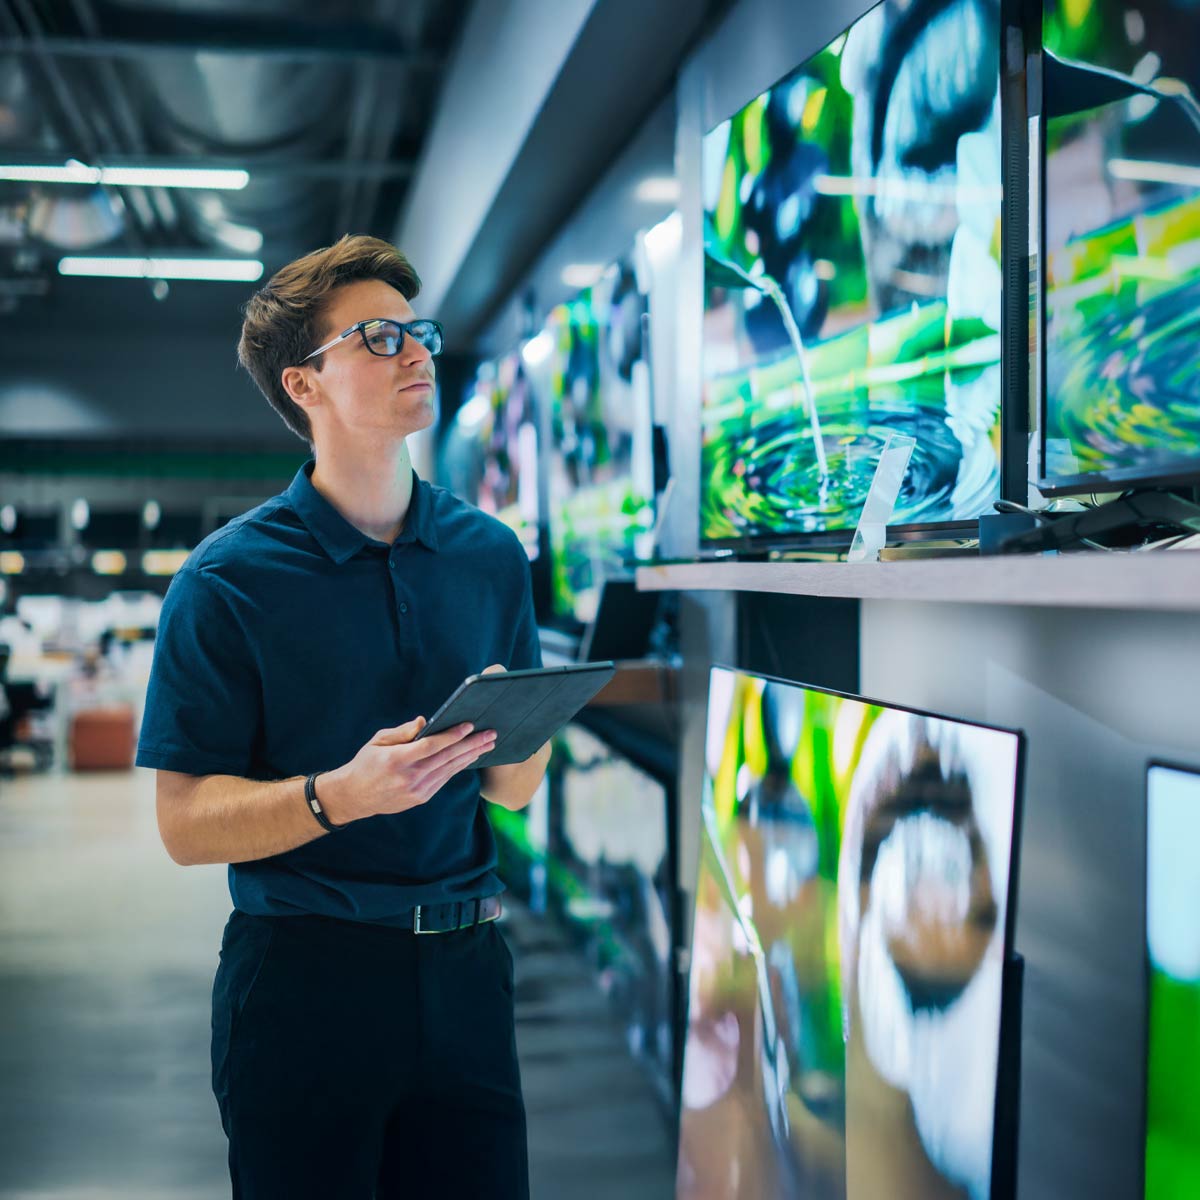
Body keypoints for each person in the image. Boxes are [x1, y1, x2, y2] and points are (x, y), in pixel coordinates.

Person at [136, 234, 550, 1199]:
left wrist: (517, 727)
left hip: (469, 973)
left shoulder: (488, 554)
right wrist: (340, 797)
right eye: (376, 337)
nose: (415, 352)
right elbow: (184, 823)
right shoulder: (226, 581)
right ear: (304, 385)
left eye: (417, 332)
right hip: (304, 985)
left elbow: (517, 793)